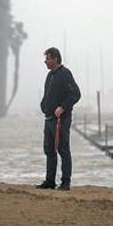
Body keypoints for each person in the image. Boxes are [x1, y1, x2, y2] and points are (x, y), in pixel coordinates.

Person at [37, 47, 81, 190]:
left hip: (61, 120)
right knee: (49, 149)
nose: (45, 61)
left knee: (63, 149)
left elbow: (75, 94)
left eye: (48, 58)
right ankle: (50, 181)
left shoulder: (65, 74)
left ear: (55, 58)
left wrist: (62, 107)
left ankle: (66, 182)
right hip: (48, 118)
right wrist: (43, 105)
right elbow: (47, 94)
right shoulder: (50, 75)